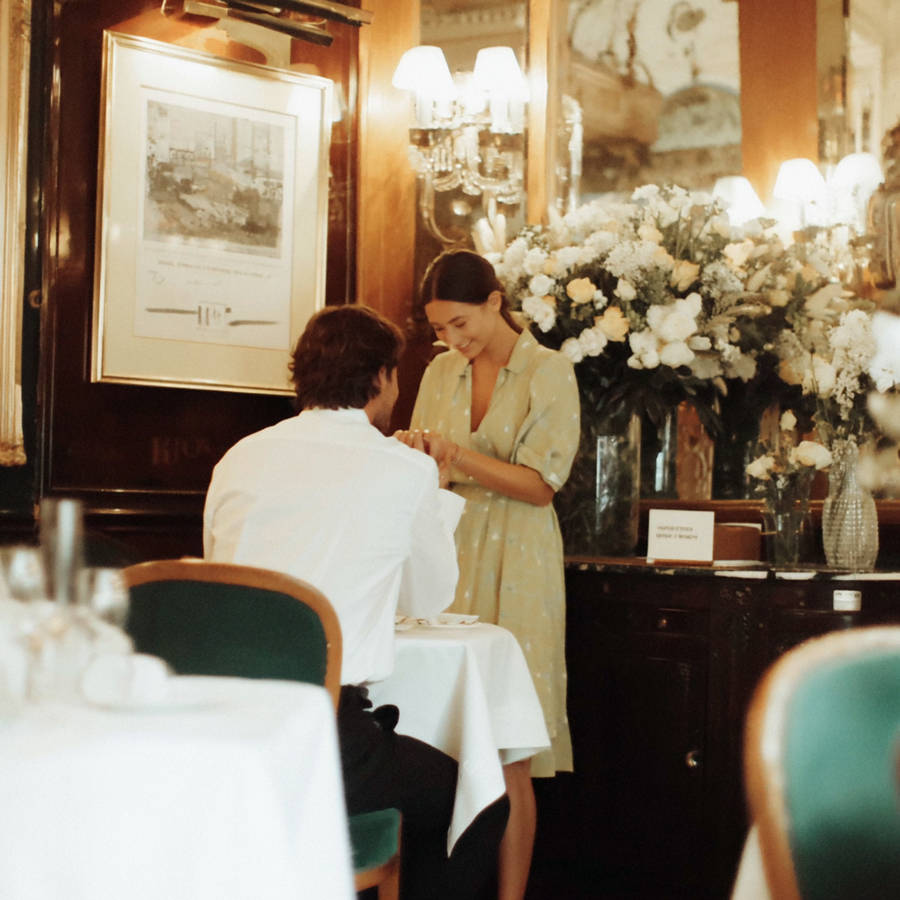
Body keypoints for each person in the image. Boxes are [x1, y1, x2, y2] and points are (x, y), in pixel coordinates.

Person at [203, 304, 509, 900]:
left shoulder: (238, 457)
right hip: (322, 740)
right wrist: (436, 490)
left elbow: (221, 582)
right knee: (476, 800)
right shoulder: (403, 469)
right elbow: (430, 596)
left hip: (222, 730)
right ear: (382, 378)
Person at [398, 248, 580, 900]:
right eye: (441, 328)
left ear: (495, 302)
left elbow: (539, 485)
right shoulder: (440, 373)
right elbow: (431, 471)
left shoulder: (549, 372)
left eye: (460, 323)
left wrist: (457, 457)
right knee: (436, 738)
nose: (451, 339)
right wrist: (417, 459)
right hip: (448, 555)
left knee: (512, 753)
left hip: (521, 563)